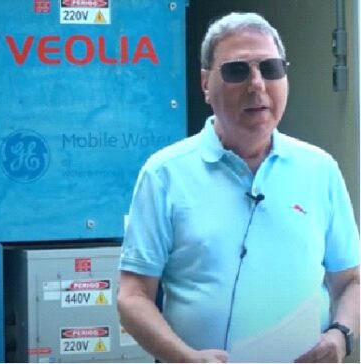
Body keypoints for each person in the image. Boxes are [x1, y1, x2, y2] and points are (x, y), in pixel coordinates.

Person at [117, 12, 359, 363]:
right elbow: (133, 296)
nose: (257, 84)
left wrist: (341, 336)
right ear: (205, 84)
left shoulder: (320, 170)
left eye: (270, 68)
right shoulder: (164, 175)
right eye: (237, 71)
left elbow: (351, 281)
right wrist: (185, 357)